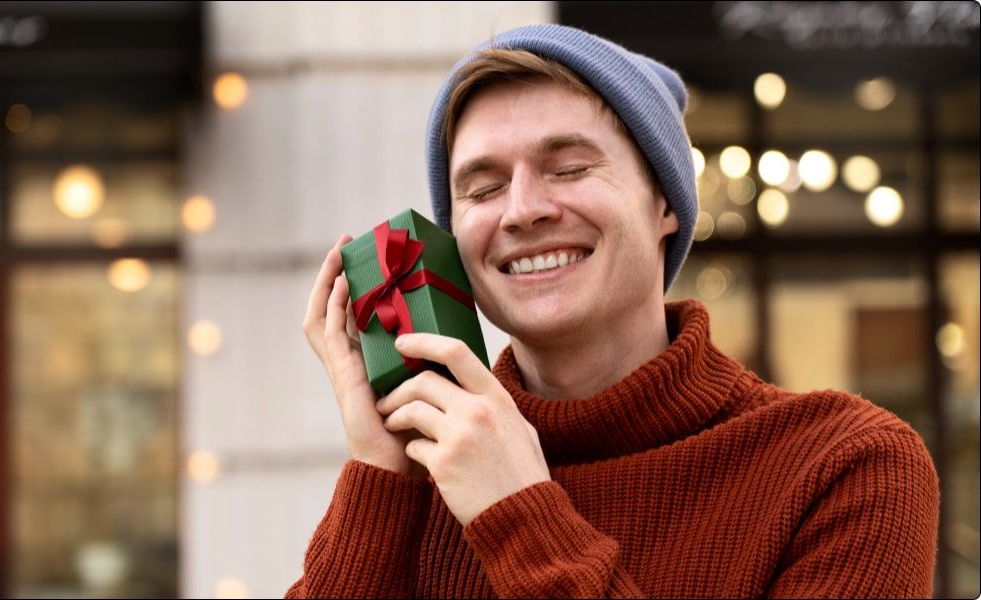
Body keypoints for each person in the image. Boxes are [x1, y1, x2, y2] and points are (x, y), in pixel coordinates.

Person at [290, 24, 939, 598]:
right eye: (483, 188)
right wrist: (380, 476)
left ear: (667, 205)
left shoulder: (849, 466)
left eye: (569, 168)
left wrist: (519, 512)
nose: (521, 211)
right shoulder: (414, 479)